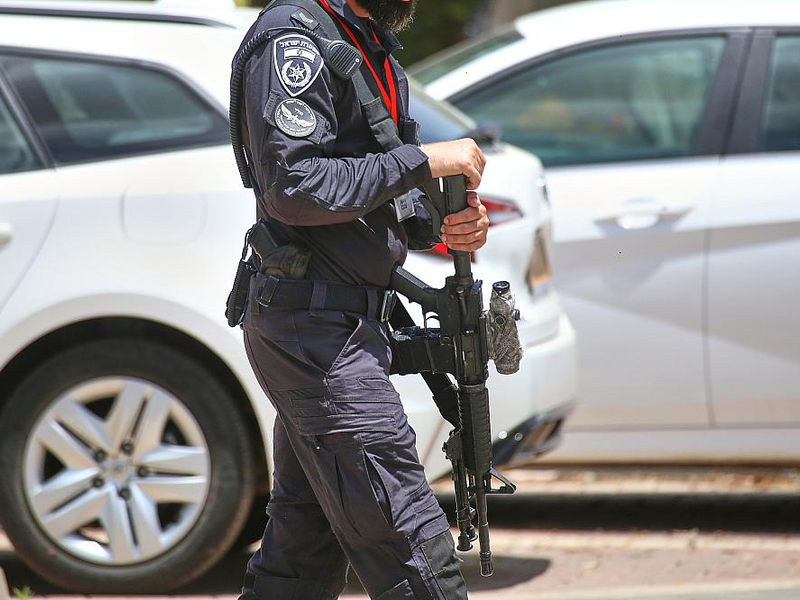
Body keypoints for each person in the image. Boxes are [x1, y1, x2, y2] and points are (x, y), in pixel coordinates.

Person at [231, 0, 489, 598]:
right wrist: (421, 161)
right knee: (412, 545)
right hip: (315, 331)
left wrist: (451, 221)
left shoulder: (368, 44)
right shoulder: (293, 41)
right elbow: (296, 186)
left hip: (343, 325)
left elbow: (388, 196)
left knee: (302, 555)